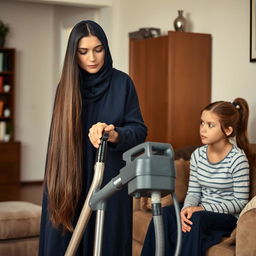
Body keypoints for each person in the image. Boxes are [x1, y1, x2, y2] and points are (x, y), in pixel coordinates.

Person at [39, 20, 147, 256]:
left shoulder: (122, 83)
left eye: (98, 50)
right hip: (68, 176)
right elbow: (55, 142)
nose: (92, 58)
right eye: (83, 51)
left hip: (109, 178)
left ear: (106, 49)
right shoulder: (65, 88)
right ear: (73, 54)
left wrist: (114, 133)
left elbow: (139, 131)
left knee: (107, 243)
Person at [141, 98, 251, 256]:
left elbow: (240, 203)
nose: (202, 129)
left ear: (227, 130)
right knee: (164, 213)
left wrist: (203, 209)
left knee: (197, 218)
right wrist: (186, 210)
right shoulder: (198, 155)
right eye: (202, 123)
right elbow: (193, 192)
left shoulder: (238, 159)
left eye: (210, 125)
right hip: (200, 210)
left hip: (227, 217)